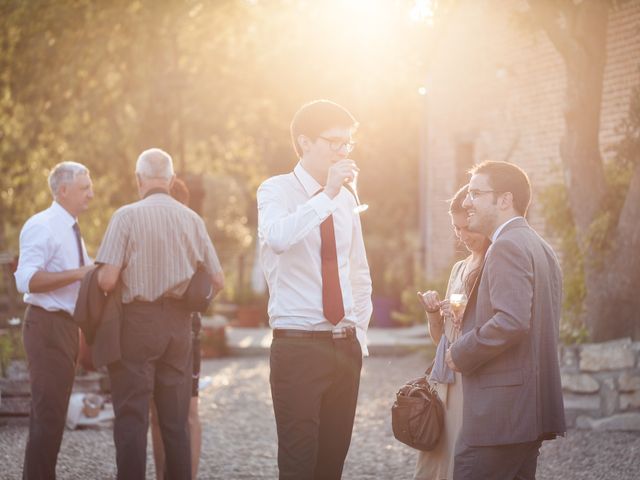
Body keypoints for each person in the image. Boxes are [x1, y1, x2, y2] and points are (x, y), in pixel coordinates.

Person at [257, 99, 372, 480]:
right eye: (334, 142)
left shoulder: (349, 198)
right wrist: (327, 195)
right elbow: (277, 238)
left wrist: (361, 337)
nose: (343, 151)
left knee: (331, 465)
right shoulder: (275, 190)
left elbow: (358, 271)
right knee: (298, 464)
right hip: (298, 347)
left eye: (348, 144)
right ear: (305, 143)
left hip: (345, 346)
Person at [95, 148, 224, 480]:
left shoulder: (126, 216)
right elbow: (218, 280)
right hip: (179, 327)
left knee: (131, 419)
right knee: (175, 423)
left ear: (138, 180)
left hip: (136, 323)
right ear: (170, 180)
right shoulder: (191, 219)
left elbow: (107, 279)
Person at [446, 161, 566, 480]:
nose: (467, 200)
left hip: (500, 417)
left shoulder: (506, 246)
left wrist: (460, 352)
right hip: (527, 413)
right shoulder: (539, 246)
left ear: (504, 200)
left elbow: (511, 321)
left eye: (475, 193)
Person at [14, 161, 95, 480]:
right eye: (84, 188)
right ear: (63, 191)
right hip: (46, 327)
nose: (91, 194)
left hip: (64, 328)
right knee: (47, 417)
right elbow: (27, 279)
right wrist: (80, 273)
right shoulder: (42, 225)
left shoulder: (72, 228)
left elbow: (86, 275)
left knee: (54, 415)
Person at [414, 184, 490, 480]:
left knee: (463, 461)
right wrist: (434, 312)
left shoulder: (495, 262)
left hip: (472, 380)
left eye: (467, 226)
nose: (463, 235)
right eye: (456, 228)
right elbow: (440, 340)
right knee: (438, 461)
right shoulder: (459, 269)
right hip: (446, 383)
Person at [149, 177, 203, 480]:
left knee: (189, 413)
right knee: (156, 414)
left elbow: (209, 281)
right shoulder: (148, 232)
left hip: (188, 328)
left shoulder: (193, 230)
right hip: (151, 327)